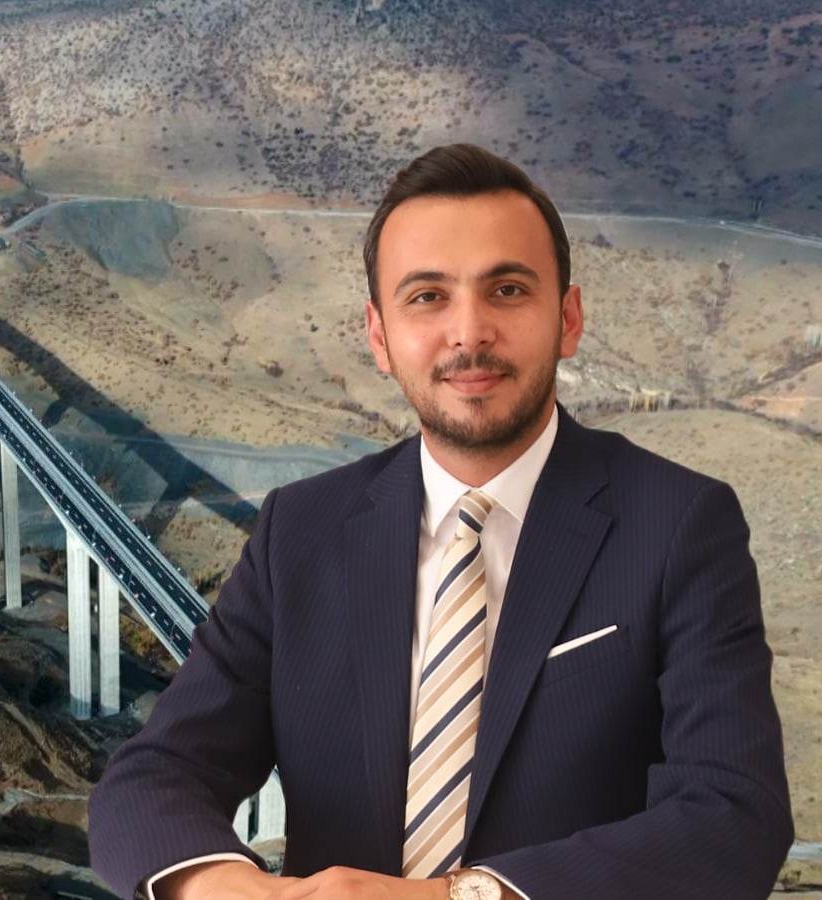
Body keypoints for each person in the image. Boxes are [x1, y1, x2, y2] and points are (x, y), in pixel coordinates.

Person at [86, 143, 793, 900]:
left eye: (507, 290)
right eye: (427, 296)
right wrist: (225, 888)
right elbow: (157, 774)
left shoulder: (679, 524)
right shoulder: (301, 529)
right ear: (380, 337)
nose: (469, 332)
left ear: (568, 318)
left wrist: (456, 897)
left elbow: (734, 817)